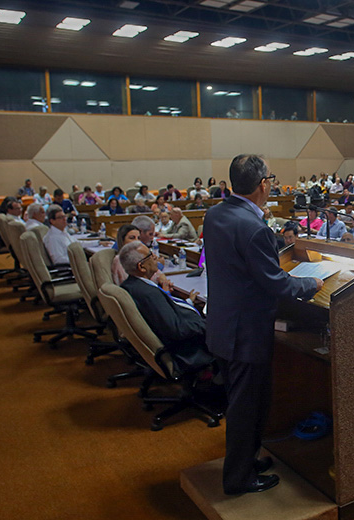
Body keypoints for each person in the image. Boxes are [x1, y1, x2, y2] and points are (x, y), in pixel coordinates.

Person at [203, 154, 322, 496]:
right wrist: (310, 285)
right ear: (263, 185)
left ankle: (248, 460)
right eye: (271, 178)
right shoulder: (253, 227)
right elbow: (278, 284)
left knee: (244, 403)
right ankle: (238, 478)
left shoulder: (216, 214)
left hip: (224, 325)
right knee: (246, 408)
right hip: (246, 333)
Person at [118, 241, 212, 368]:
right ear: (141, 267)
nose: (155, 257)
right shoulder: (149, 294)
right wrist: (208, 325)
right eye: (150, 255)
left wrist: (187, 302)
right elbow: (178, 330)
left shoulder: (131, 285)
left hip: (182, 325)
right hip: (186, 350)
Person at [111, 224, 170, 289]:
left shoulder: (138, 256)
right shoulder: (119, 260)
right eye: (132, 238)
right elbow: (131, 286)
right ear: (122, 241)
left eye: (138, 238)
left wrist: (163, 279)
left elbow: (157, 273)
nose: (137, 241)